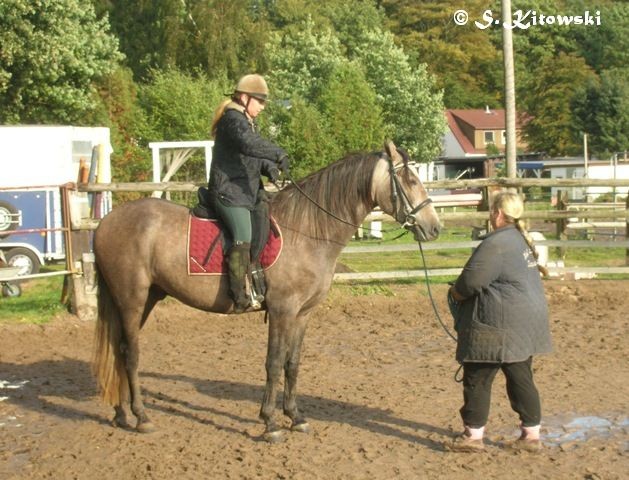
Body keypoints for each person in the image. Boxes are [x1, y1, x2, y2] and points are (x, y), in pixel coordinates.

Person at [447, 191, 552, 452]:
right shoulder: (519, 240)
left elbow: (471, 282)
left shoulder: (495, 244)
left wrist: (454, 293)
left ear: (497, 214)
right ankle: (531, 436)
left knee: (478, 377)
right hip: (524, 323)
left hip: (497, 324)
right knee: (520, 377)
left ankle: (473, 438)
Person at [208, 74, 289, 312]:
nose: (263, 107)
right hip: (228, 191)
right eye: (260, 101)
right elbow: (248, 144)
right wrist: (278, 153)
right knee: (243, 234)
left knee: (264, 219)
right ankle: (237, 294)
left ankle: (255, 277)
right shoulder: (232, 119)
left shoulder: (246, 120)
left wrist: (269, 167)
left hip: (249, 191)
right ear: (244, 98)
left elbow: (249, 157)